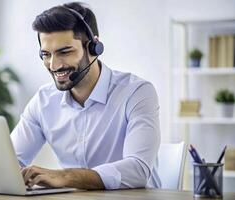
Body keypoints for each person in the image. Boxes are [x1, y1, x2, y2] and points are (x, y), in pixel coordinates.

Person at [10, 2, 161, 190]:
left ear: (93, 48)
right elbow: (9, 161)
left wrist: (64, 176)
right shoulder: (43, 101)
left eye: (64, 52)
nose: (54, 65)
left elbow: (138, 170)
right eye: (46, 54)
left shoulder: (136, 93)